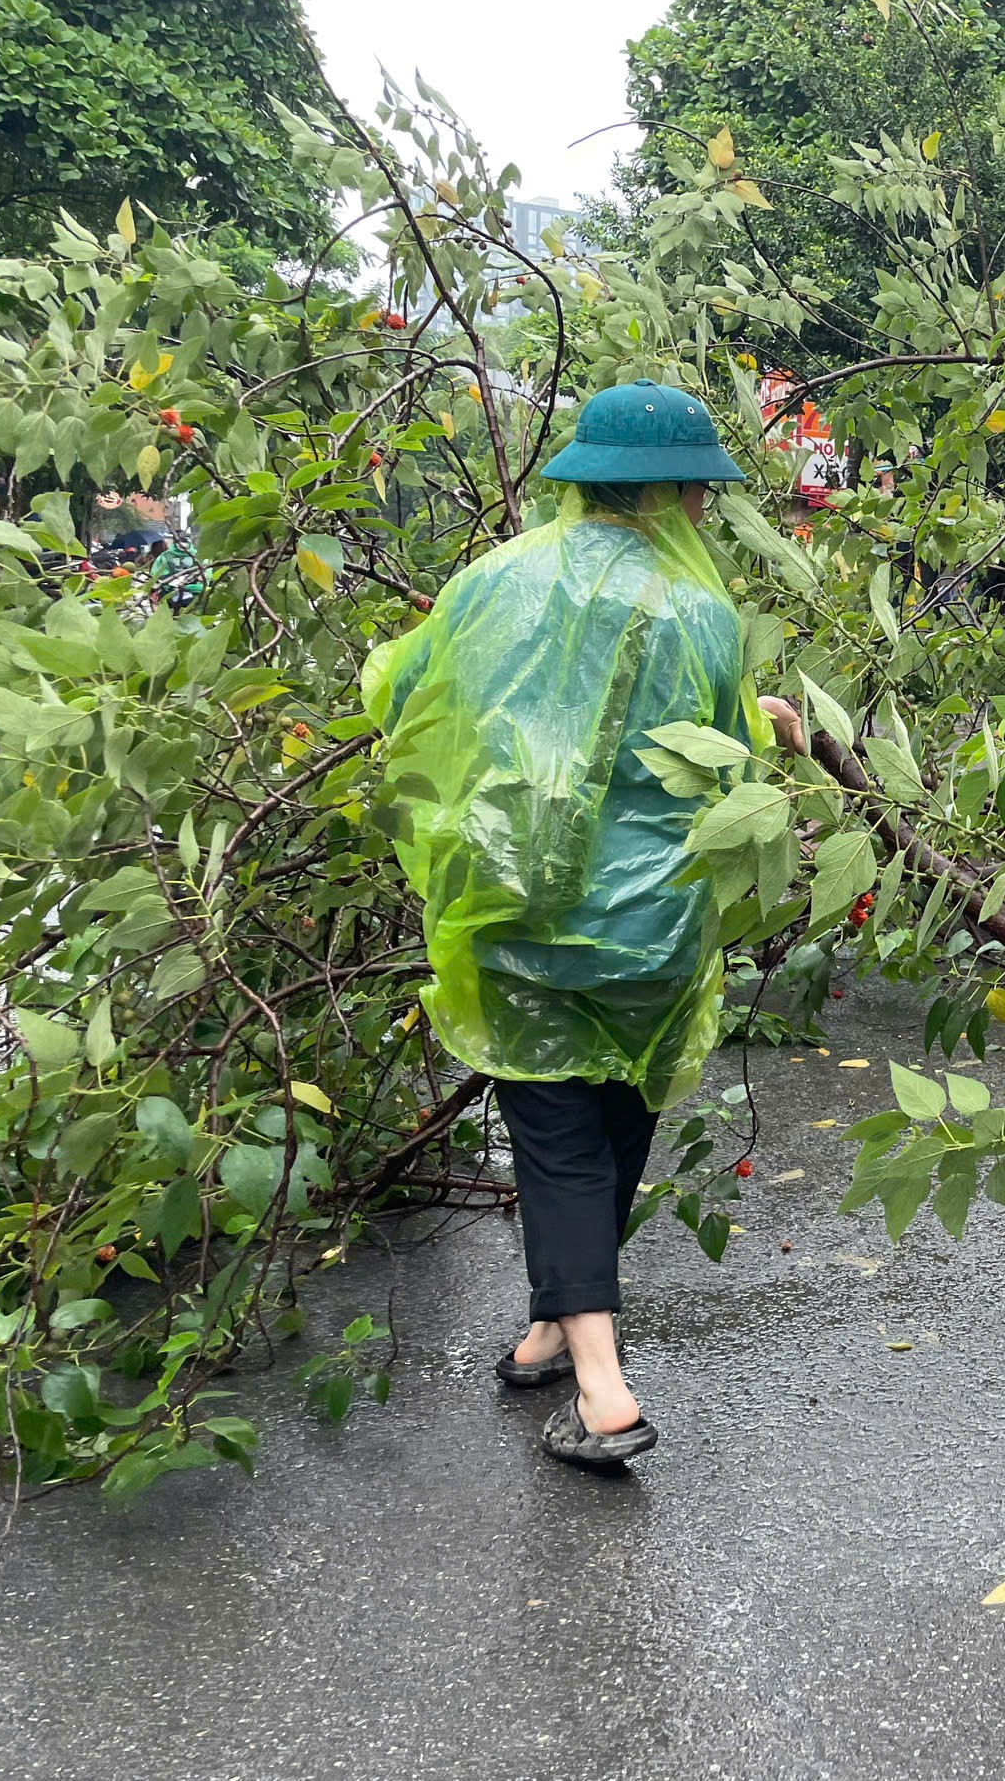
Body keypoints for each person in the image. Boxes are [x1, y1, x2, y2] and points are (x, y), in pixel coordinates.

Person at [364, 378, 806, 1470]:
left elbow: (402, 697)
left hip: (515, 908)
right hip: (652, 928)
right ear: (669, 491)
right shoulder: (698, 613)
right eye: (700, 492)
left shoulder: (490, 587)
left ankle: (567, 1346)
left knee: (559, 1144)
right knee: (608, 1134)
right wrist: (772, 726)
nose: (706, 511)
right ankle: (596, 1379)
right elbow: (705, 747)